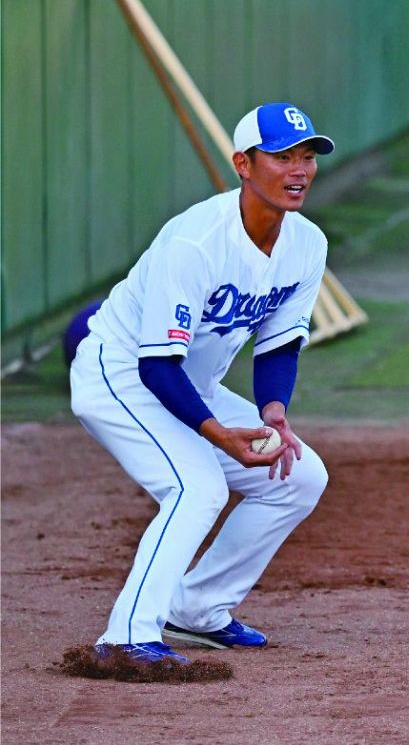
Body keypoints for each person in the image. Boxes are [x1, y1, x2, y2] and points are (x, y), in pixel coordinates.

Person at [69, 102, 334, 669]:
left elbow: (280, 341)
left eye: (307, 156)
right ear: (243, 163)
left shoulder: (307, 243)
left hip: (192, 382)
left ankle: (196, 608)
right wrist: (219, 435)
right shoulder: (194, 242)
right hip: (120, 374)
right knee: (197, 486)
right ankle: (125, 638)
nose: (299, 169)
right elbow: (156, 367)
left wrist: (274, 412)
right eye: (282, 156)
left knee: (299, 476)